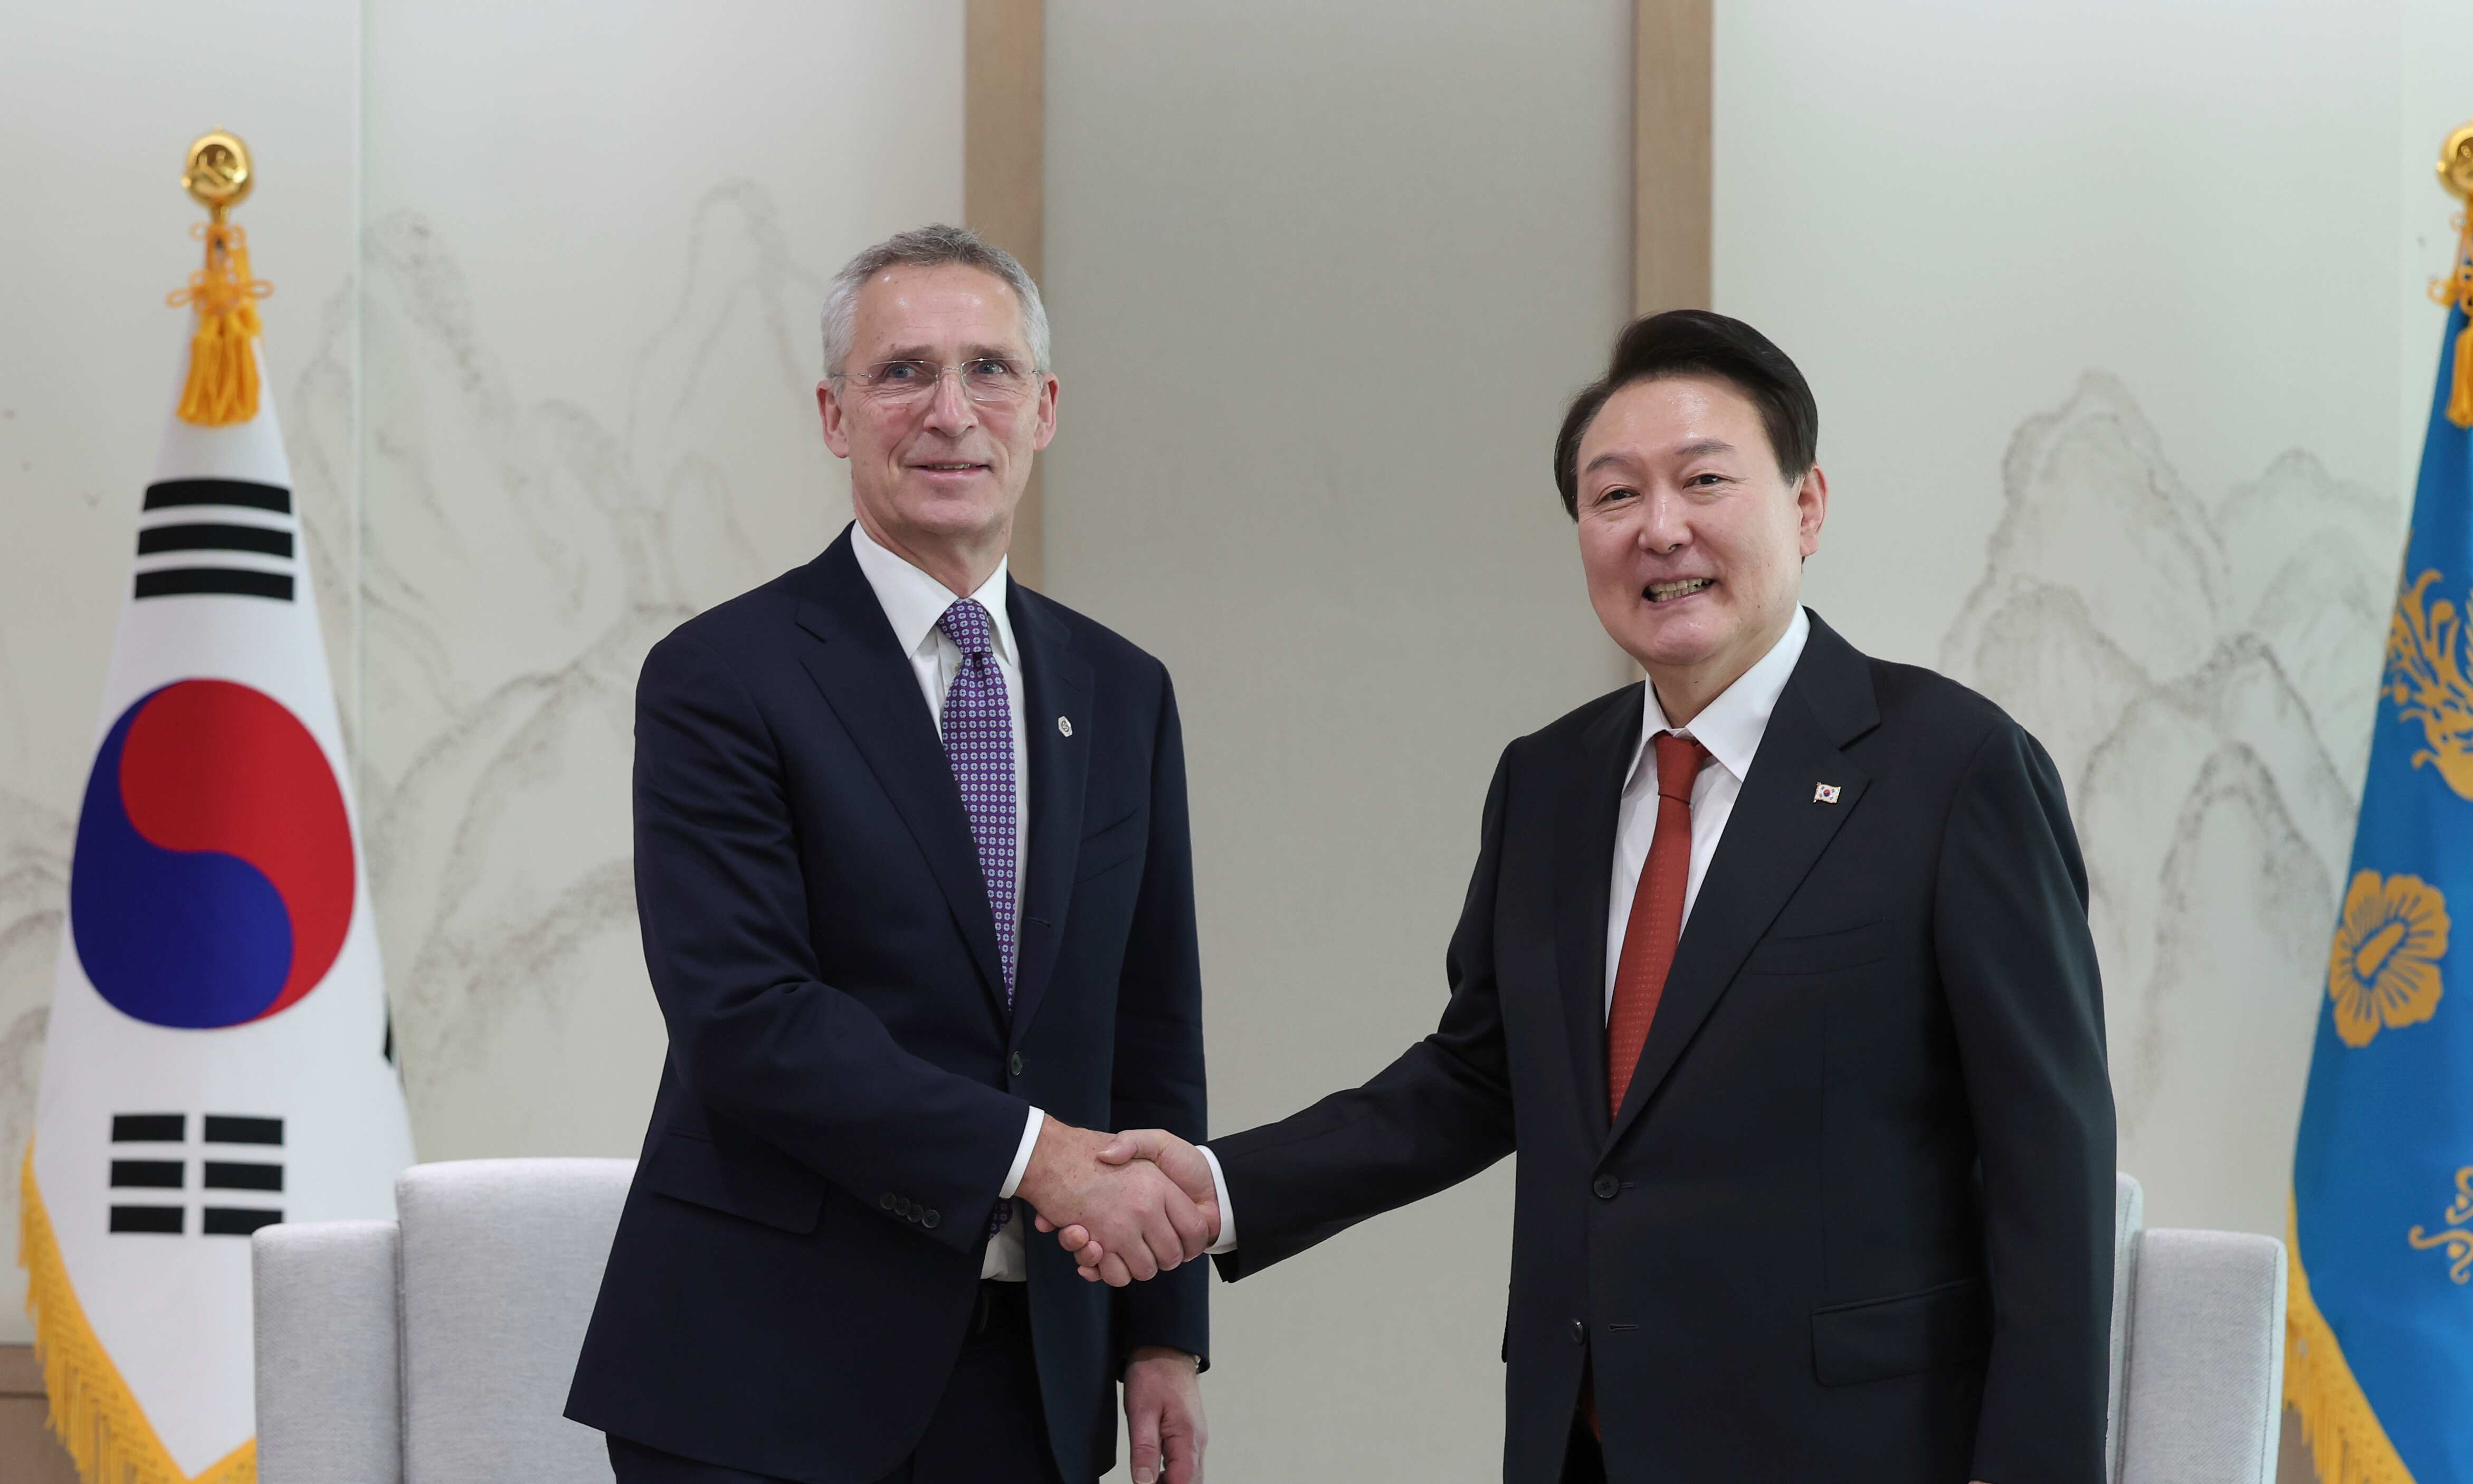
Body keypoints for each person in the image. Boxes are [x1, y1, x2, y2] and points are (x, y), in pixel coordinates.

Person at [1059, 311, 2116, 1482]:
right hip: (1584, 1440)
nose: (1660, 528)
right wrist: (1217, 1188)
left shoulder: (1952, 770)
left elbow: (2048, 1163)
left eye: (1704, 480)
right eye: (1614, 495)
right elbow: (1476, 1078)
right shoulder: (1549, 779)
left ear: (1807, 506)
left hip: (1854, 1445)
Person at [568, 225, 1216, 1484]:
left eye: (989, 370)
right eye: (903, 371)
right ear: (835, 414)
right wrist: (1036, 1155)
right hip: (762, 1375)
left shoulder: (1122, 689)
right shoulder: (722, 677)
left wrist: (1161, 1333)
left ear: (1045, 409)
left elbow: (1149, 1028)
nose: (950, 412)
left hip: (1032, 1376)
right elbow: (747, 1016)